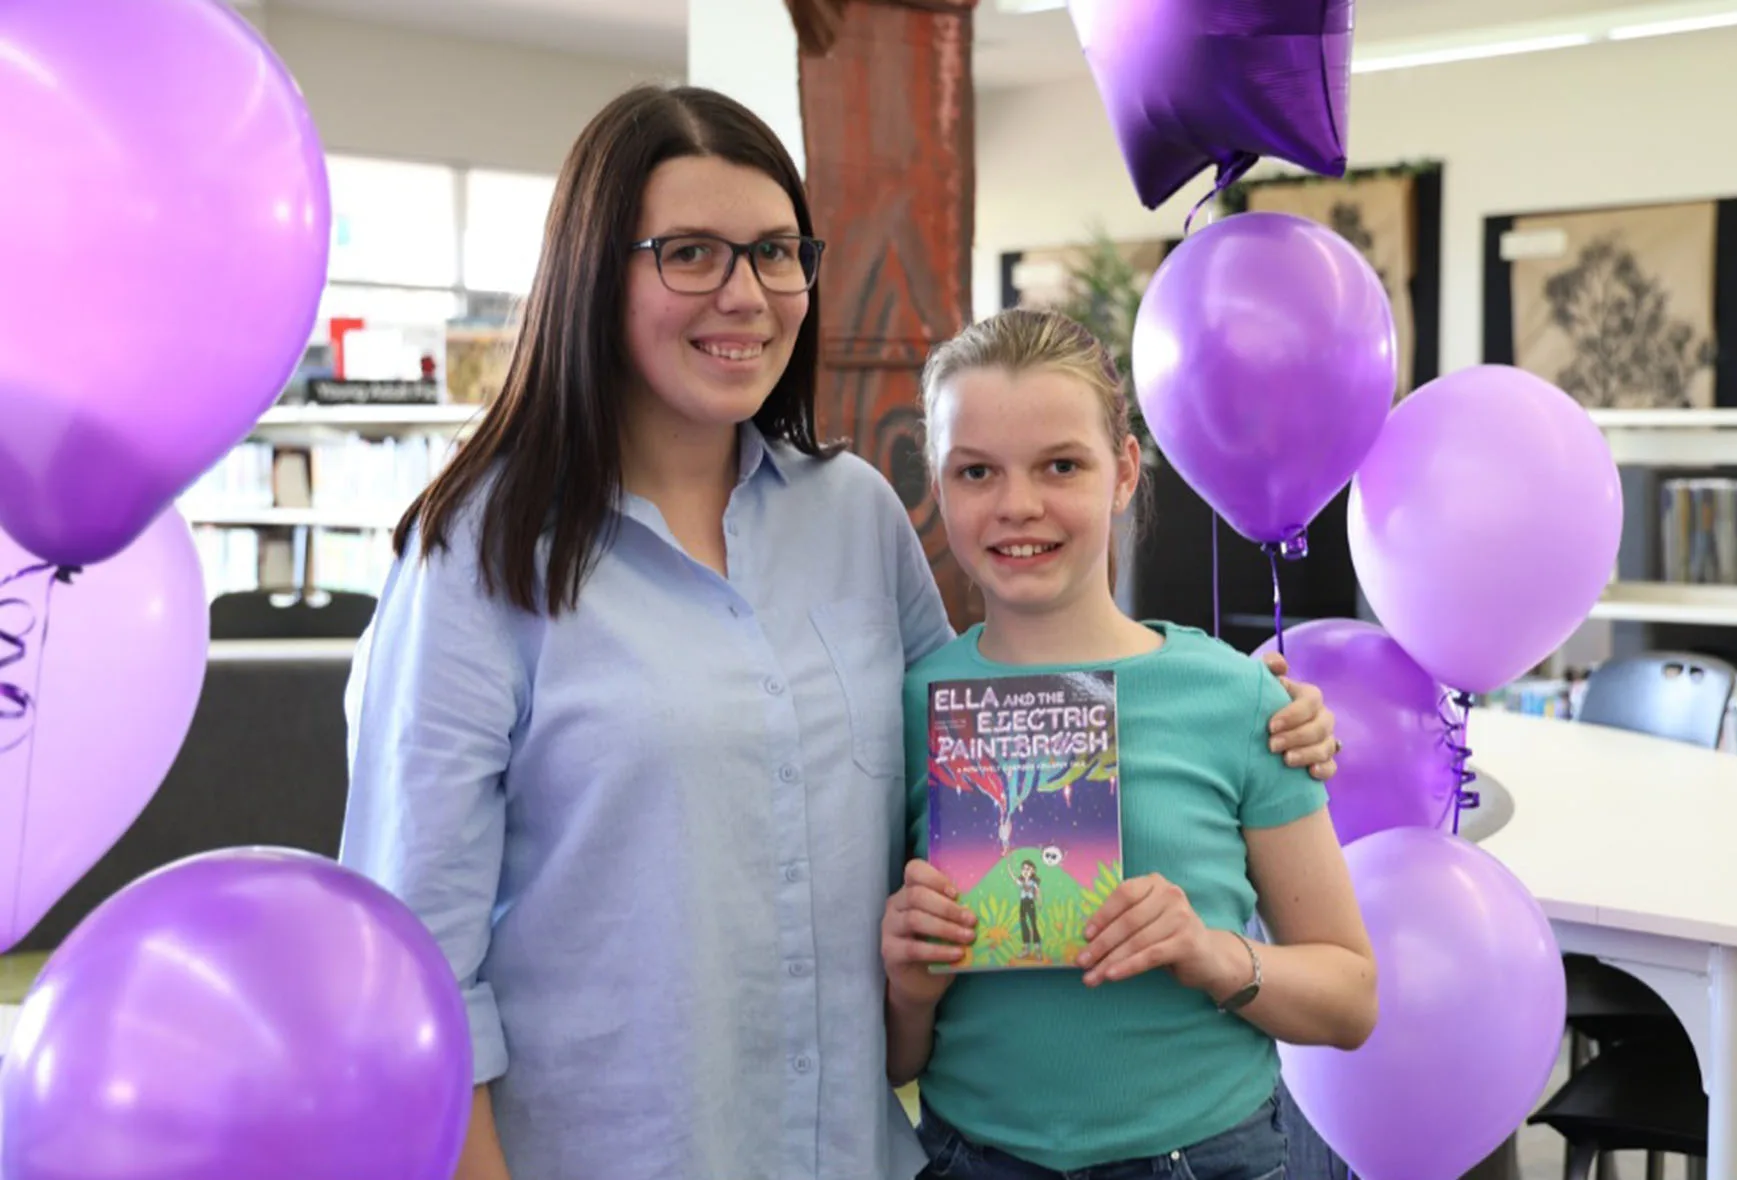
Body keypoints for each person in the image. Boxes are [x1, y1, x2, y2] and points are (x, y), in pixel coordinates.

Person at [337, 84, 1344, 1180]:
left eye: (776, 251)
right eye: (690, 253)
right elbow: (414, 954)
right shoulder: (475, 559)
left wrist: (1245, 710)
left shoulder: (853, 512)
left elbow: (982, 743)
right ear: (593, 271)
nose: (747, 294)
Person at [881, 309, 1378, 1180]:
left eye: (1061, 465)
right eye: (977, 471)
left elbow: (1351, 1001)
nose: (1017, 505)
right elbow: (895, 1062)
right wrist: (911, 991)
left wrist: (1214, 953)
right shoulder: (907, 708)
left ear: (1124, 472)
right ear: (939, 482)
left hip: (1206, 1157)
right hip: (971, 1156)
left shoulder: (1237, 697)